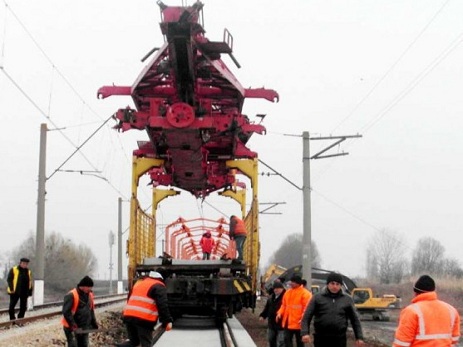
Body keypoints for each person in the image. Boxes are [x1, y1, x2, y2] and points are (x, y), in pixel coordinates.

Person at [392, 274, 460, 347]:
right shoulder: (451, 310)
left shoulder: (411, 311)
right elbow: (454, 339)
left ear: (415, 292)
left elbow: (401, 343)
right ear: (433, 291)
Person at [301, 272, 364, 347]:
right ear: (327, 284)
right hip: (321, 338)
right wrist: (305, 333)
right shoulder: (317, 298)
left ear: (341, 285)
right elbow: (306, 316)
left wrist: (359, 337)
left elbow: (355, 319)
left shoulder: (347, 299)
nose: (335, 286)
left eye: (338, 284)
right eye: (332, 283)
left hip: (339, 339)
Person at [117, 271, 173, 347]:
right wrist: (167, 321)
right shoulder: (159, 285)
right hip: (144, 319)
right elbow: (162, 305)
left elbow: (129, 298)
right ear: (161, 278)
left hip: (129, 316)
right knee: (146, 344)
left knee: (133, 342)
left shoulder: (139, 283)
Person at [61, 276, 98, 347]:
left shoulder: (90, 295)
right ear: (83, 286)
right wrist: (74, 326)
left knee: (84, 345)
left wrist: (94, 323)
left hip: (84, 327)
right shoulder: (71, 295)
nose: (90, 289)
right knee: (74, 345)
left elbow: (91, 310)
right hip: (72, 328)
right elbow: (66, 312)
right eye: (89, 287)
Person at [276, 275, 312, 347]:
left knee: (300, 342)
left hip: (299, 324)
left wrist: (303, 320)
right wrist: (279, 313)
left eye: (293, 282)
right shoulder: (288, 292)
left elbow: (307, 309)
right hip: (287, 322)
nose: (290, 283)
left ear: (298, 283)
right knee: (287, 341)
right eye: (291, 281)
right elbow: (284, 305)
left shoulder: (305, 294)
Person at [259, 281, 286, 347]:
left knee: (281, 342)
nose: (275, 290)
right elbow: (267, 308)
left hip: (282, 324)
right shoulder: (271, 298)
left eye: (277, 288)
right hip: (271, 323)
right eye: (274, 288)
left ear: (282, 289)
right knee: (271, 339)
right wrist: (263, 316)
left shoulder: (286, 298)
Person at [7, 257, 33, 321]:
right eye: (24, 263)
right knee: (11, 306)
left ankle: (20, 319)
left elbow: (30, 282)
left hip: (24, 292)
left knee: (23, 307)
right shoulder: (14, 269)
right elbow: (9, 279)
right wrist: (12, 289)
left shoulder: (28, 271)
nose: (25, 265)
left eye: (26, 264)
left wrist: (30, 291)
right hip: (15, 291)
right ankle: (12, 319)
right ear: (20, 263)